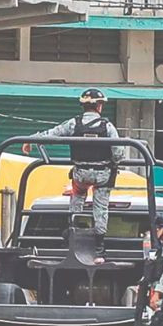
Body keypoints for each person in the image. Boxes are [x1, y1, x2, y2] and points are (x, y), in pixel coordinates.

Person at [21, 88, 125, 251]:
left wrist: (30, 140)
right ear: (99, 106)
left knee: (77, 195)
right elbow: (118, 154)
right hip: (102, 176)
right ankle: (99, 244)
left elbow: (53, 134)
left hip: (80, 175)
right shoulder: (108, 127)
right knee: (101, 206)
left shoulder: (73, 123)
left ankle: (73, 229)